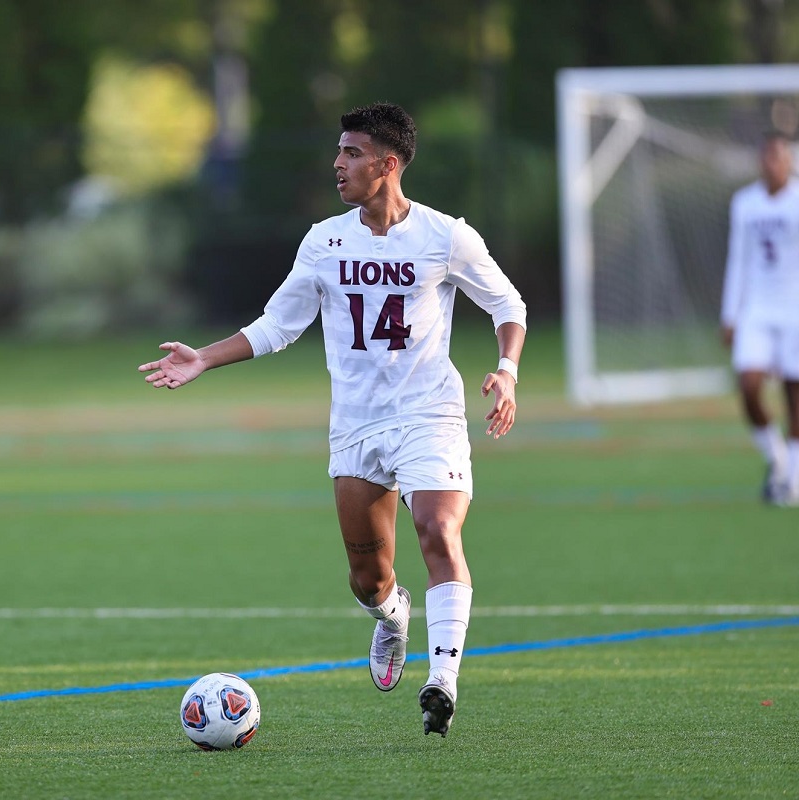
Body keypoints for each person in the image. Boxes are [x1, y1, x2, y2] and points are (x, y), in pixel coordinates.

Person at [139, 102, 526, 737]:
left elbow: (506, 302)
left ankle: (443, 681)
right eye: (338, 152)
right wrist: (204, 358)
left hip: (430, 412)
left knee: (437, 530)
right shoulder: (325, 241)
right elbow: (277, 324)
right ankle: (392, 618)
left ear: (388, 163)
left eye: (351, 153)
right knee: (368, 579)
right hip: (357, 427)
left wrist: (507, 369)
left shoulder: (445, 235)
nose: (338, 164)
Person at [721, 131, 799, 506]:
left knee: (794, 392)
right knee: (749, 385)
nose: (773, 163)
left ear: (789, 160)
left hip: (795, 309)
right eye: (767, 156)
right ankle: (778, 459)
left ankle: (793, 480)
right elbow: (738, 258)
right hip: (757, 308)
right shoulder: (745, 203)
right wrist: (729, 314)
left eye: (779, 156)